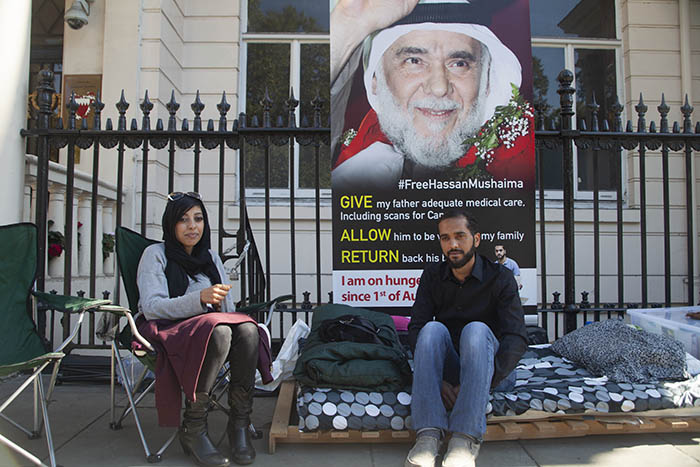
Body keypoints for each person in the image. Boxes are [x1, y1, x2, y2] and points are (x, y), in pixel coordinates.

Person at [331, 0, 534, 191]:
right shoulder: (353, 168)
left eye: (459, 64)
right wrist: (350, 20)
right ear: (376, 81)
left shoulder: (518, 166)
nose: (439, 88)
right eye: (413, 61)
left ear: (486, 82)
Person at [136, 192, 269, 467]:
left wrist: (224, 314)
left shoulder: (210, 257)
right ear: (171, 225)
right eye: (183, 220)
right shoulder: (155, 255)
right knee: (218, 330)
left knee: (246, 328)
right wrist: (200, 299)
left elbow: (227, 308)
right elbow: (151, 307)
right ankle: (194, 428)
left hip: (208, 331)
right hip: (169, 330)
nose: (192, 226)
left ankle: (239, 424)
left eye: (198, 219)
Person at [406, 210, 527, 467]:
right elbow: (416, 329)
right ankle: (428, 435)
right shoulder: (432, 276)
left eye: (460, 236)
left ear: (477, 239)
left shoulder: (500, 278)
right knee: (431, 330)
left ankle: (464, 438)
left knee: (476, 329)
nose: (453, 245)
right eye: (445, 238)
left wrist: (479, 382)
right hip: (451, 370)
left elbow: (516, 337)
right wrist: (437, 381)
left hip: (493, 370)